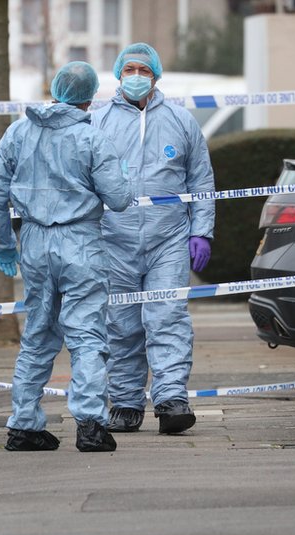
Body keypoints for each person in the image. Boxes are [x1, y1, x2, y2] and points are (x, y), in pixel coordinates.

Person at [0, 61, 133, 452]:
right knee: (86, 336)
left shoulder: (18, 131)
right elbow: (118, 199)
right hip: (80, 243)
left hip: (33, 242)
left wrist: (3, 245)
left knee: (37, 332)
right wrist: (125, 176)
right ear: (90, 98)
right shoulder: (92, 140)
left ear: (54, 90)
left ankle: (24, 424)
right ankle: (90, 425)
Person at [92, 43, 215, 435]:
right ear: (117, 74)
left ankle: (171, 399)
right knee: (121, 324)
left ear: (157, 76)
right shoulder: (98, 121)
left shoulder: (181, 121)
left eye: (143, 70)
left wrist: (202, 231)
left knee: (167, 319)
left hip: (169, 240)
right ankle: (126, 404)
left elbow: (202, 180)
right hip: (114, 240)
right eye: (129, 69)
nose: (136, 76)